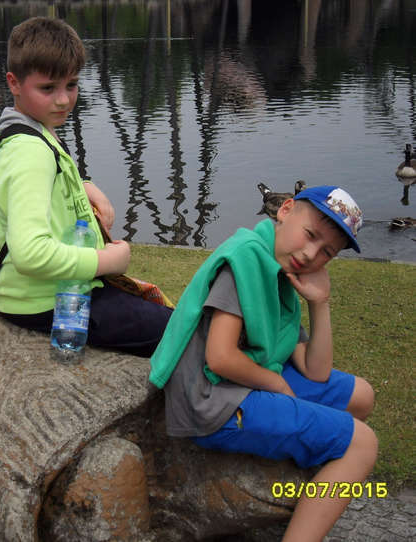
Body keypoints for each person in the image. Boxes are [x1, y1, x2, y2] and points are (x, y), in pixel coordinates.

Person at [149, 186, 378, 541]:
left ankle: (309, 481)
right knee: (361, 444)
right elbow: (220, 357)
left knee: (361, 395)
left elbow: (315, 370)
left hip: (245, 380)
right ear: (285, 210)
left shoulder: (280, 270)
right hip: (212, 399)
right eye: (311, 235)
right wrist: (278, 385)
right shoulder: (246, 260)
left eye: (327, 253)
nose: (311, 254)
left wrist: (320, 303)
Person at [0, 16, 172, 357]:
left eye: (72, 85)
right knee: (189, 333)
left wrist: (84, 186)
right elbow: (30, 254)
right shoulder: (30, 151)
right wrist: (107, 261)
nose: (64, 100)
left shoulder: (32, 132)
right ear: (14, 83)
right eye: (48, 88)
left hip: (51, 289)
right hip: (46, 301)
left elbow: (33, 186)